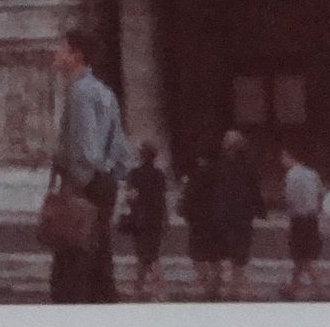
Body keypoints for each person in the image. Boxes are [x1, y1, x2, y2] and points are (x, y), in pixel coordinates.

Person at [48, 28, 134, 304]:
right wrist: (114, 174)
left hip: (86, 183)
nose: (56, 53)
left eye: (62, 48)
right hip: (104, 181)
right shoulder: (103, 91)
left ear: (76, 55)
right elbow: (119, 144)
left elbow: (85, 149)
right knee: (99, 257)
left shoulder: (79, 92)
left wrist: (78, 183)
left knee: (72, 264)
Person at [209, 129, 264, 301]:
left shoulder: (224, 164)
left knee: (235, 251)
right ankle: (236, 286)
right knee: (237, 252)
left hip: (232, 213)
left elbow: (252, 188)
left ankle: (234, 286)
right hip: (237, 213)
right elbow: (254, 188)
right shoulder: (244, 163)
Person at [121, 142, 170, 301]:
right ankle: (141, 287)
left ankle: (157, 287)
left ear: (142, 155)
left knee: (146, 255)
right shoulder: (159, 175)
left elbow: (131, 197)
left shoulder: (134, 174)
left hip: (139, 219)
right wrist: (166, 218)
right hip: (155, 218)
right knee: (148, 254)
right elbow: (163, 199)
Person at [180, 138, 226, 300]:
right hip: (217, 219)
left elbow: (189, 197)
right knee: (215, 255)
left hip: (199, 221)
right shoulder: (221, 174)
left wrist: (184, 211)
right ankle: (216, 282)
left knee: (198, 255)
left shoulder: (197, 175)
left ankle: (205, 284)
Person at [279, 145, 325, 300]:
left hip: (299, 219)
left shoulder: (291, 175)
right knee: (303, 257)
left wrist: (288, 213)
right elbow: (321, 194)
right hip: (312, 218)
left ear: (290, 156)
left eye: (284, 156)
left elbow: (290, 198)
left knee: (303, 256)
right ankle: (294, 287)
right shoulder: (313, 174)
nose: (282, 160)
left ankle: (319, 289)